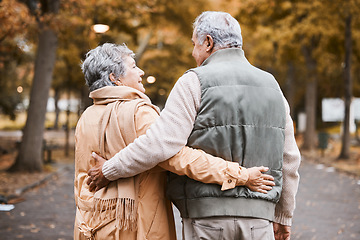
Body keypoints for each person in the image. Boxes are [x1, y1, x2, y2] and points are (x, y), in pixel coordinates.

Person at [88, 11, 301, 240]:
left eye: (194, 44)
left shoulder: (194, 81)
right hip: (260, 220)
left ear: (207, 42)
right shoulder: (273, 86)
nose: (193, 52)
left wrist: (108, 170)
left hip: (207, 219)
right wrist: (283, 216)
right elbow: (289, 158)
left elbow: (161, 143)